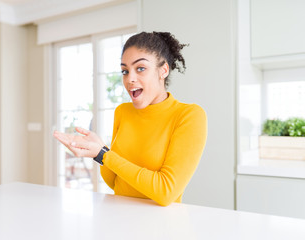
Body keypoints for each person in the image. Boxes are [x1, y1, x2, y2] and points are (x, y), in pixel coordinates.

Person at [53, 31, 207, 206]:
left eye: (140, 68)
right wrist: (99, 151)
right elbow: (114, 182)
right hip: (119, 215)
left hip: (161, 226)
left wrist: (104, 154)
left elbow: (166, 192)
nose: (130, 79)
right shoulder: (123, 111)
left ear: (163, 70)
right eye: (125, 71)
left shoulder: (189, 115)